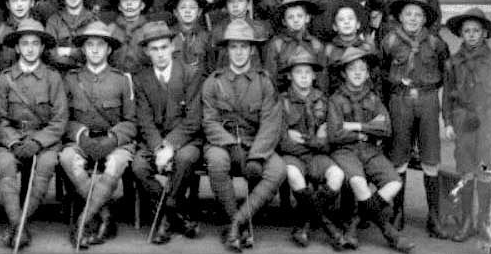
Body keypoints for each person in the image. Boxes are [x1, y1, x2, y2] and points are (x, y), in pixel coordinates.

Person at [202, 19, 286, 252]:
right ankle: (235, 221)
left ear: (252, 50)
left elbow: (270, 123)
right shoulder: (213, 82)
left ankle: (237, 223)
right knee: (216, 160)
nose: (239, 52)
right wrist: (231, 144)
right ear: (227, 50)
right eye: (233, 47)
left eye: (244, 46)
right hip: (222, 143)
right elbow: (209, 122)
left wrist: (257, 155)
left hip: (255, 143)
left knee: (278, 169)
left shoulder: (264, 81)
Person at [327, 46, 414, 252]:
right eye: (352, 69)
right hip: (345, 151)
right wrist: (364, 131)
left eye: (362, 69)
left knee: (394, 183)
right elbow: (335, 134)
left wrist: (355, 126)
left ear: (367, 74)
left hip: (370, 151)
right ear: (343, 73)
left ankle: (354, 224)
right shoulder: (335, 100)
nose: (357, 73)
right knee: (358, 182)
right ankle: (390, 233)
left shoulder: (373, 98)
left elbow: (385, 128)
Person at [60, 21, 136, 249]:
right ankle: (105, 214)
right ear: (83, 49)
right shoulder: (71, 79)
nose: (94, 50)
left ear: (109, 49)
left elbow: (131, 121)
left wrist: (113, 139)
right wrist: (81, 136)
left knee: (116, 163)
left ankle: (83, 222)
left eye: (100, 45)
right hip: (82, 140)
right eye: (89, 45)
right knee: (67, 158)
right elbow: (63, 118)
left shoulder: (122, 79)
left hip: (114, 141)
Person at [0, 19, 68, 249]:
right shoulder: (5, 78)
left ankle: (18, 226)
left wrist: (38, 141)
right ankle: (19, 226)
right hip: (12, 139)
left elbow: (59, 120)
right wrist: (13, 142)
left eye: (35, 43)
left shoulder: (53, 77)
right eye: (25, 43)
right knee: (5, 163)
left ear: (43, 47)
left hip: (44, 139)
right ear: (17, 47)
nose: (30, 48)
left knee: (46, 164)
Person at [380, 0, 449, 238]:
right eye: (408, 14)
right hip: (400, 100)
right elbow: (381, 73)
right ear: (400, 17)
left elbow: (446, 72)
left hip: (428, 99)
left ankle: (434, 216)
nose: (412, 18)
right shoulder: (389, 41)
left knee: (430, 157)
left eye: (418, 14)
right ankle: (398, 211)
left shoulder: (436, 43)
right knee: (399, 155)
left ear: (425, 19)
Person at [132, 21, 203, 244]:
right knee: (139, 166)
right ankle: (175, 213)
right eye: (154, 49)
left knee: (185, 159)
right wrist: (158, 147)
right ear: (147, 51)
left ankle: (165, 217)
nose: (160, 54)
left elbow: (193, 120)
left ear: (173, 46)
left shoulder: (190, 73)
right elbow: (144, 121)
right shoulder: (141, 79)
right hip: (153, 141)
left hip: (185, 139)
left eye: (164, 47)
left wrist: (170, 145)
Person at [277, 48, 346, 249]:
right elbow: (282, 142)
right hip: (293, 157)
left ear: (314, 75)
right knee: (292, 173)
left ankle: (305, 223)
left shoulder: (323, 100)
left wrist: (305, 141)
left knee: (337, 175)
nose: (304, 76)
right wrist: (315, 140)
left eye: (308, 72)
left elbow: (329, 140)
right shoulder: (282, 101)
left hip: (317, 156)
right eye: (298, 72)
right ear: (289, 76)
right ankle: (329, 227)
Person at [443, 8, 491, 243]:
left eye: (476, 30)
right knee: (466, 169)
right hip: (463, 120)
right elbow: (447, 95)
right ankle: (466, 221)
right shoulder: (453, 62)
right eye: (467, 31)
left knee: (485, 169)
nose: (472, 34)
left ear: (484, 33)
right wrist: (448, 122)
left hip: (488, 122)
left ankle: (483, 222)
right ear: (461, 34)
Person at [264, 0, 323, 93]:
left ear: (307, 18)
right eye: (290, 17)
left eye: (300, 16)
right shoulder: (277, 44)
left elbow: (322, 79)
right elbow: (270, 77)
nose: (296, 20)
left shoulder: (316, 45)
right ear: (284, 21)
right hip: (283, 96)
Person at [44, 0, 98, 71]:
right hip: (60, 74)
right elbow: (50, 53)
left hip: (87, 74)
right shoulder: (54, 21)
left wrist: (68, 52)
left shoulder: (93, 21)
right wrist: (78, 56)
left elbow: (95, 53)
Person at [209, 0, 269, 70]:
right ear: (226, 6)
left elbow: (265, 61)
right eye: (231, 2)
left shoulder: (258, 29)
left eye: (240, 1)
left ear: (248, 4)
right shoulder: (218, 31)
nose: (235, 5)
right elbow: (213, 62)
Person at [323, 0, 377, 96]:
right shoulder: (329, 50)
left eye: (350, 18)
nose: (346, 22)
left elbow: (375, 78)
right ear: (335, 26)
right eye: (341, 20)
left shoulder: (366, 48)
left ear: (358, 24)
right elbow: (324, 81)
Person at [164, 0, 213, 79]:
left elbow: (211, 69)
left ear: (199, 12)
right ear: (175, 12)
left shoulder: (206, 37)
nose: (187, 11)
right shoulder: (167, 36)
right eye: (183, 7)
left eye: (192, 7)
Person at [0, 0, 40, 71]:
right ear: (8, 5)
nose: (19, 5)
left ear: (32, 3)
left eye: (24, 0)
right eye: (14, 1)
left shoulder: (40, 28)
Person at [107, 0, 152, 74]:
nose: (129, 3)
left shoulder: (150, 29)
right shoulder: (110, 30)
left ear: (142, 5)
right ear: (119, 6)